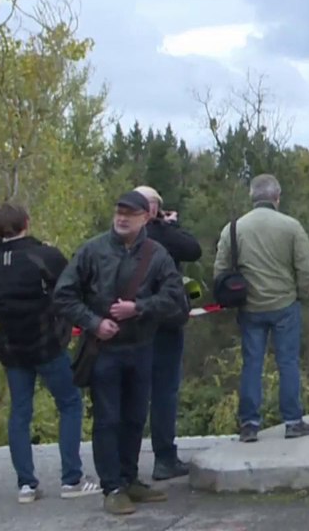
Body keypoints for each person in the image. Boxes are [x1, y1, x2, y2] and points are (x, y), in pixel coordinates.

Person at [52, 191, 190, 515]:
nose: (122, 218)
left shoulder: (157, 255)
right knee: (107, 419)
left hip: (142, 348)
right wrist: (94, 323)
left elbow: (175, 299)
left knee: (134, 418)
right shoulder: (92, 250)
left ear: (146, 217)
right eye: (119, 212)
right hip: (104, 351)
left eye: (130, 213)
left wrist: (138, 308)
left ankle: (130, 480)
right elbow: (63, 295)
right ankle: (112, 486)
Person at [0, 203, 101, 503]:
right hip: (47, 344)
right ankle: (71, 479)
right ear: (27, 223)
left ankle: (26, 485)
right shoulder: (45, 256)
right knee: (70, 404)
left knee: (20, 413)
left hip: (11, 347)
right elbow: (71, 289)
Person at [214, 174, 309, 442]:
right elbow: (306, 266)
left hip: (250, 307)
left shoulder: (233, 229)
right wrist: (300, 294)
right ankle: (293, 421)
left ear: (252, 197)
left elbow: (220, 270)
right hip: (285, 304)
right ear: (277, 197)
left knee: (251, 364)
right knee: (288, 362)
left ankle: (249, 424)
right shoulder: (291, 227)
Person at [133, 185, 202, 481]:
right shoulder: (162, 233)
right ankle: (164, 457)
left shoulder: (115, 239)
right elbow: (193, 249)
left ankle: (127, 464)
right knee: (164, 392)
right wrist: (170, 224)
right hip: (164, 321)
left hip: (130, 322)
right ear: (154, 209)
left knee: (132, 393)